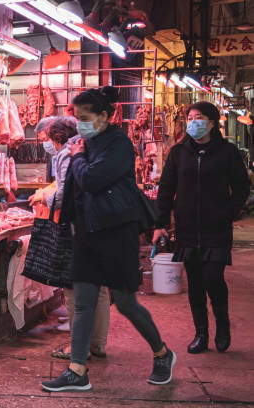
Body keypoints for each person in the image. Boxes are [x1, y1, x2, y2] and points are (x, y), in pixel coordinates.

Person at [42, 87, 175, 392]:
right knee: (84, 303)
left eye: (85, 118)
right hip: (87, 234)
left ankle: (163, 353)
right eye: (77, 118)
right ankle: (77, 370)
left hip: (117, 233)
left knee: (126, 303)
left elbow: (92, 179)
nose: (80, 124)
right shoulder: (83, 143)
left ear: (103, 116)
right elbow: (77, 191)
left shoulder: (119, 146)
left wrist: (75, 157)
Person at [154, 102, 250, 354]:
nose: (192, 121)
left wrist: (228, 213)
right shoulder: (178, 153)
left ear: (211, 123)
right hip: (186, 228)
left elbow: (242, 187)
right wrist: (161, 223)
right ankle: (201, 333)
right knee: (195, 282)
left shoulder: (227, 152)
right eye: (190, 117)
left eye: (199, 118)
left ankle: (223, 324)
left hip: (216, 229)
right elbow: (166, 189)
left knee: (213, 277)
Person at [32, 116, 110, 360]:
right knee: (98, 288)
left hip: (78, 225)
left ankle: (79, 348)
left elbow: (66, 193)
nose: (45, 145)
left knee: (74, 289)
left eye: (45, 139)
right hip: (100, 223)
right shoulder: (91, 148)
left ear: (55, 134)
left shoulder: (66, 154)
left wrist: (45, 198)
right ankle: (97, 344)